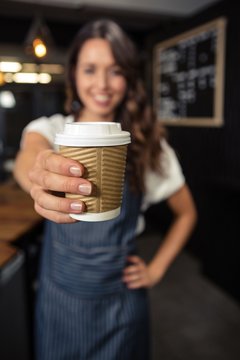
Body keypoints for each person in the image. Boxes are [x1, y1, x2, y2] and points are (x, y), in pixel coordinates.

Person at [14, 19, 197, 360]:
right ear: (74, 76)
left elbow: (187, 213)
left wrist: (155, 269)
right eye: (89, 69)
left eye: (115, 71)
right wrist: (40, 172)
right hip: (59, 297)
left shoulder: (148, 147)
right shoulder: (53, 131)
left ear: (129, 78)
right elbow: (31, 156)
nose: (102, 84)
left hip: (120, 303)